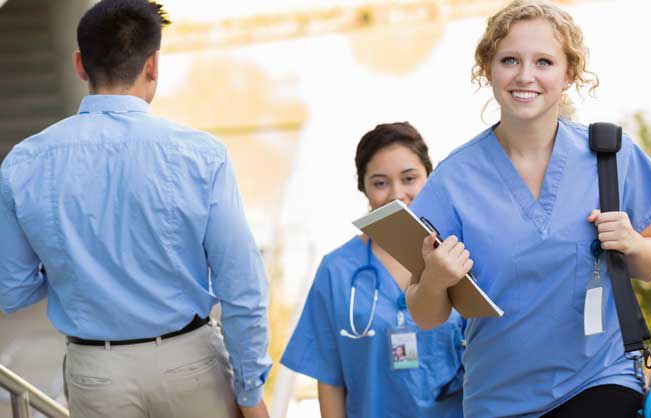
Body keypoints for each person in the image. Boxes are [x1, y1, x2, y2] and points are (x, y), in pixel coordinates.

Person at [405, 1, 651, 417]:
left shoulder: (610, 155)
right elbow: (426, 314)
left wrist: (632, 244)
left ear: (569, 73)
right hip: (498, 400)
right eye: (509, 60)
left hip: (599, 379)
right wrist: (436, 281)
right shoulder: (453, 180)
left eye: (544, 62)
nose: (525, 76)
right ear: (487, 68)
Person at [0, 1, 271, 417]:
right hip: (192, 364)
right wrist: (250, 389)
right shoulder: (200, 155)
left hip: (97, 374)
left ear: (79, 65)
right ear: (153, 65)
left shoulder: (24, 162)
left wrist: (74, 270)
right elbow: (242, 285)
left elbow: (11, 289)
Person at [281, 122, 465, 418]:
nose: (396, 194)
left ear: (429, 177)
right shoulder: (337, 270)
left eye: (409, 178)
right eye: (380, 183)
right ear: (362, 188)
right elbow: (329, 379)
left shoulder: (457, 257)